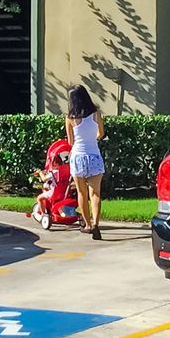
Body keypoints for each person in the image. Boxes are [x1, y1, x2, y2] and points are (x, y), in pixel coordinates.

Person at [65, 84, 104, 240]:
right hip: (94, 155)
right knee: (95, 193)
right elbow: (100, 133)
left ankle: (87, 225)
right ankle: (96, 224)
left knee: (81, 193)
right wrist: (92, 138)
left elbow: (70, 141)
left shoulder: (70, 118)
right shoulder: (96, 113)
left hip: (78, 156)